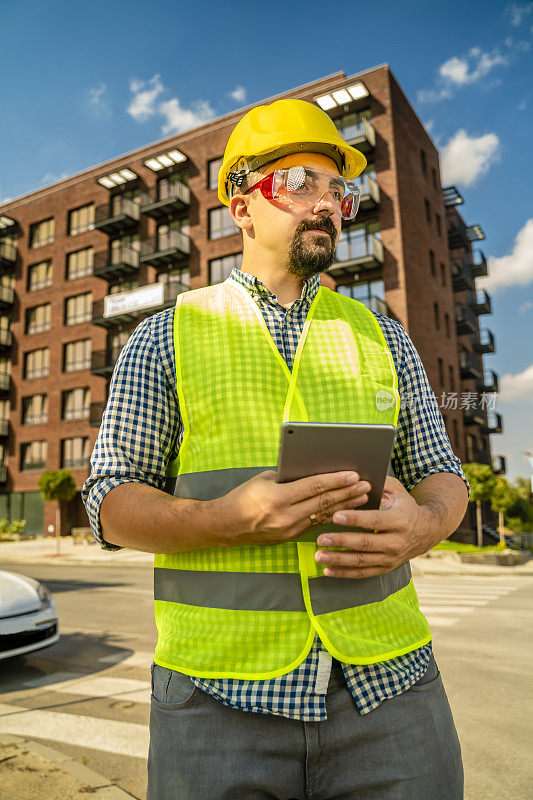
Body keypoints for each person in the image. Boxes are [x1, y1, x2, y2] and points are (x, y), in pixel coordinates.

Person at [82, 98, 469, 800]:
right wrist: (227, 518)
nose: (325, 204)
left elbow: (443, 474)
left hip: (390, 687)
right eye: (300, 183)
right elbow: (109, 502)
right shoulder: (165, 336)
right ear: (242, 206)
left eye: (338, 191)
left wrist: (422, 526)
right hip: (215, 700)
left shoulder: (384, 335)